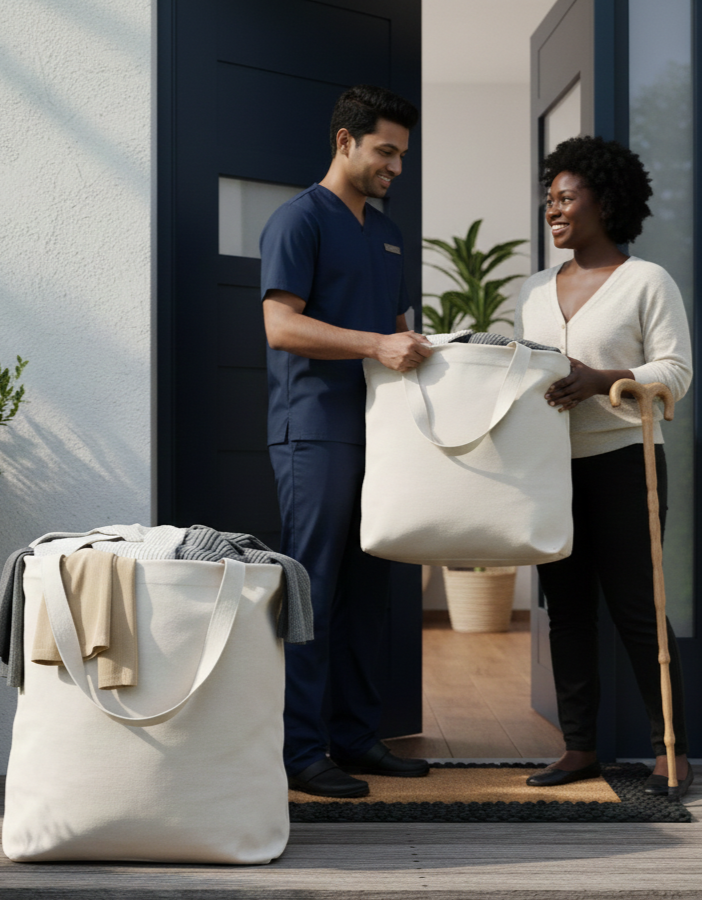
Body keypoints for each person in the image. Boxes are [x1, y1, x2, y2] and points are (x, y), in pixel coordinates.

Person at [260, 85, 432, 799]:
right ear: (344, 142)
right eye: (385, 151)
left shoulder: (388, 234)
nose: (396, 166)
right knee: (315, 591)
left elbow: (401, 333)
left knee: (370, 594)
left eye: (402, 155)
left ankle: (357, 739)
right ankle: (301, 752)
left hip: (382, 435)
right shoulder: (297, 221)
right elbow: (280, 326)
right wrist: (377, 344)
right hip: (316, 431)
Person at [514, 134, 694, 797]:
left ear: (604, 200)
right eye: (549, 200)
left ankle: (669, 750)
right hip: (551, 471)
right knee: (566, 613)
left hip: (624, 461)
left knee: (637, 610)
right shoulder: (534, 291)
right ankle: (579, 749)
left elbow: (676, 372)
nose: (554, 209)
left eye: (566, 197)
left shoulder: (647, 281)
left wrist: (599, 380)